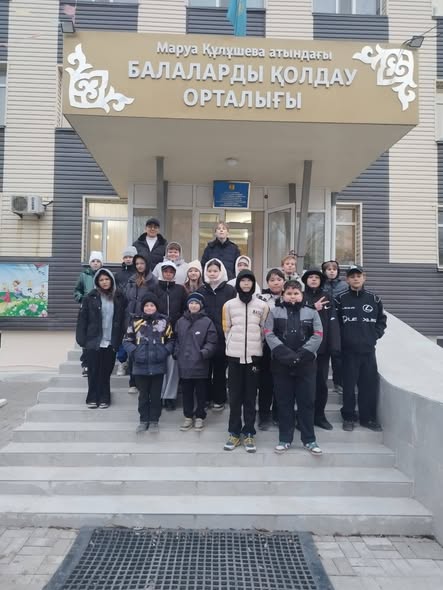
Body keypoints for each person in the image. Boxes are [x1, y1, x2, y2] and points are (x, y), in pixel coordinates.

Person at [264, 280, 323, 455]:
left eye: (296, 293)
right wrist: (287, 355)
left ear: (301, 295)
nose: (292, 296)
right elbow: (268, 334)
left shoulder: (312, 312)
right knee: (284, 403)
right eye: (289, 293)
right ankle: (285, 439)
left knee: (307, 403)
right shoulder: (274, 312)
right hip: (281, 365)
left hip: (306, 365)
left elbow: (318, 335)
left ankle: (309, 440)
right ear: (283, 295)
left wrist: (301, 355)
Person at [334, 265, 387, 433]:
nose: (356, 279)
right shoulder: (340, 299)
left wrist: (374, 336)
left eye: (358, 276)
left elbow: (381, 321)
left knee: (368, 386)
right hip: (348, 351)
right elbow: (335, 324)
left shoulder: (374, 299)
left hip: (368, 351)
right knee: (348, 386)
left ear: (364, 278)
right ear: (347, 280)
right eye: (352, 276)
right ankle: (348, 417)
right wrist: (342, 341)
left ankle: (367, 418)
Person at [222, 269, 269, 453]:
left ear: (253, 283)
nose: (246, 284)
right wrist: (233, 345)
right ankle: (234, 433)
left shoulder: (262, 305)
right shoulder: (228, 305)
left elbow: (264, 329)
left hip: (254, 358)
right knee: (234, 398)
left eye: (249, 281)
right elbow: (226, 329)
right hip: (234, 358)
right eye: (243, 281)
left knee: (250, 397)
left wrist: (256, 347)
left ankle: (249, 432)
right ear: (238, 284)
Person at [123, 292, 174, 433]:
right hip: (140, 366)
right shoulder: (135, 321)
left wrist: (164, 351)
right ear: (143, 307)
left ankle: (154, 421)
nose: (149, 308)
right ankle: (143, 420)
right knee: (143, 395)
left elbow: (171, 340)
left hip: (158, 365)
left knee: (156, 395)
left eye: (152, 305)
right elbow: (127, 341)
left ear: (156, 307)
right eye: (146, 305)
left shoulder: (164, 321)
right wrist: (135, 352)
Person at [75, 268, 126, 409]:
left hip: (111, 341)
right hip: (93, 340)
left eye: (107, 279)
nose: (104, 282)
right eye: (101, 280)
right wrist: (82, 339)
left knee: (106, 371)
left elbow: (123, 318)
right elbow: (82, 319)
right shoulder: (89, 297)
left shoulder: (119, 297)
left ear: (111, 280)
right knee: (93, 371)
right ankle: (92, 397)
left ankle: (104, 397)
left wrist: (121, 337)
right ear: (97, 282)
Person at [302, 269, 341, 431]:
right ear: (305, 280)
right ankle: (304, 417)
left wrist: (334, 346)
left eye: (316, 277)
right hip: (303, 350)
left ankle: (319, 416)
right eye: (310, 277)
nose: (313, 279)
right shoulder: (300, 296)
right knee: (305, 386)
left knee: (321, 385)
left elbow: (333, 322)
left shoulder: (327, 297)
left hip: (322, 350)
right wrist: (312, 308)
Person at [175, 292, 218, 432]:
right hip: (184, 364)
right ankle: (188, 416)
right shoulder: (181, 321)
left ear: (201, 305)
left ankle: (200, 416)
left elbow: (212, 341)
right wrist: (177, 352)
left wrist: (204, 353)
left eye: (196, 303)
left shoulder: (207, 322)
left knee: (201, 393)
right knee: (186, 392)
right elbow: (176, 339)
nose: (193, 306)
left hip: (200, 364)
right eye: (191, 303)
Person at [197, 259, 236, 410]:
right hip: (204, 337)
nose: (212, 273)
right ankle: (206, 398)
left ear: (221, 272)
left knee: (220, 370)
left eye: (215, 271)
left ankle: (219, 399)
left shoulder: (229, 290)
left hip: (222, 336)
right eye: (209, 270)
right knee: (205, 370)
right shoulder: (201, 290)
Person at [124, 254, 159, 394]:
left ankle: (144, 383)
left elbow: (155, 300)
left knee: (144, 350)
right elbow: (127, 298)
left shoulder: (153, 281)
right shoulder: (131, 280)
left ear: (147, 264)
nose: (139, 266)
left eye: (142, 263)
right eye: (137, 263)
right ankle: (133, 382)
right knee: (132, 351)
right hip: (131, 319)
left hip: (146, 320)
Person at [256, 268, 285, 430]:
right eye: (272, 280)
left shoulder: (290, 296)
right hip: (265, 345)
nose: (276, 282)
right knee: (265, 382)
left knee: (281, 382)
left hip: (284, 345)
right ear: (267, 282)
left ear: (283, 281)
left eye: (279, 279)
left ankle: (278, 414)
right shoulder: (261, 298)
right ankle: (264, 416)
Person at [157, 261, 187, 410]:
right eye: (166, 271)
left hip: (175, 333)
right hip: (157, 332)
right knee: (159, 364)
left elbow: (185, 309)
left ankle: (169, 396)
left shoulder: (180, 290)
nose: (168, 274)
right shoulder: (154, 288)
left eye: (171, 272)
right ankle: (159, 396)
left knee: (173, 364)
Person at [74, 251, 103, 377]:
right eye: (93, 261)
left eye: (98, 261)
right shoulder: (84, 275)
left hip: (100, 309)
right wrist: (82, 299)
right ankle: (86, 364)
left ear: (101, 263)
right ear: (90, 263)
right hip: (86, 309)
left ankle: (98, 363)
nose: (95, 263)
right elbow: (77, 291)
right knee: (86, 336)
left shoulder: (104, 275)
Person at [321, 259, 348, 394]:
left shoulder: (344, 285)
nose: (332, 272)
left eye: (334, 269)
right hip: (324, 323)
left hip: (339, 324)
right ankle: (322, 384)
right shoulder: (321, 284)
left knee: (338, 356)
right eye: (329, 269)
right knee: (323, 357)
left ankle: (339, 383)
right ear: (324, 271)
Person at [114, 246, 137, 377]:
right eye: (126, 257)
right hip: (122, 309)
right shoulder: (118, 275)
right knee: (123, 336)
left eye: (130, 257)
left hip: (135, 309)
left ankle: (132, 362)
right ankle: (122, 362)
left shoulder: (139, 274)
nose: (128, 259)